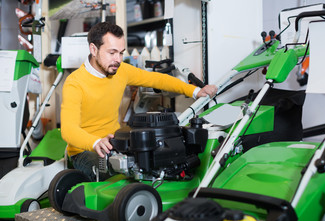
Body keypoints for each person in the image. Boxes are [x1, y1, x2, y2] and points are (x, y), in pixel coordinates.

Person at [61, 22, 217, 181]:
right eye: (112, 53)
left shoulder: (120, 71)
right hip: (85, 151)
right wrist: (95, 142)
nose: (118, 60)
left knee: (158, 165)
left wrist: (196, 91)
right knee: (119, 179)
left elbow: (156, 79)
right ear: (93, 49)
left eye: (121, 53)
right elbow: (68, 129)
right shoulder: (75, 83)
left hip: (115, 143)